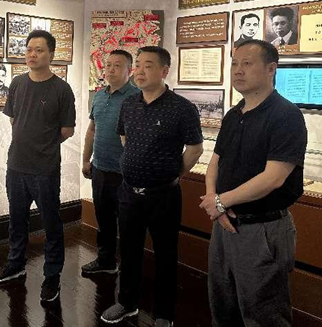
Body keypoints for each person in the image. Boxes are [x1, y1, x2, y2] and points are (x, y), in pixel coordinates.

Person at [199, 39, 307, 327]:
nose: (238, 70)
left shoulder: (285, 115)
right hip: (224, 223)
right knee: (222, 303)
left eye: (247, 63)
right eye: (235, 63)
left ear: (271, 69)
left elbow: (273, 178)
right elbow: (215, 163)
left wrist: (220, 202)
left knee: (263, 312)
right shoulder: (234, 114)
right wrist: (214, 202)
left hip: (263, 229)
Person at [101, 46, 203, 327]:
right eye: (138, 65)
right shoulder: (129, 104)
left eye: (148, 65)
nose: (140, 71)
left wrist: (172, 174)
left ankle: (164, 314)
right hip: (129, 191)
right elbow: (125, 138)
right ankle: (127, 303)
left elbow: (195, 148)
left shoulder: (182, 108)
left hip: (164, 195)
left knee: (165, 255)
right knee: (129, 250)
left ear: (164, 71)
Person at [0, 30, 76, 303]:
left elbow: (67, 130)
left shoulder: (61, 89)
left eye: (39, 50)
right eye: (29, 49)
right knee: (17, 220)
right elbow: (13, 119)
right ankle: (15, 265)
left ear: (51, 54)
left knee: (51, 224)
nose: (32, 54)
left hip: (45, 169)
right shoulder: (17, 83)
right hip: (16, 165)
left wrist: (43, 144)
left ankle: (52, 276)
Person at [81, 50, 139, 275]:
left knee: (128, 224)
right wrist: (86, 159)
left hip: (125, 173)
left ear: (129, 71)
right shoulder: (99, 96)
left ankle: (129, 269)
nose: (111, 70)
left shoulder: (136, 97)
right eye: (108, 65)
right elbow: (92, 130)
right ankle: (106, 261)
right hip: (100, 168)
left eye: (117, 65)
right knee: (103, 219)